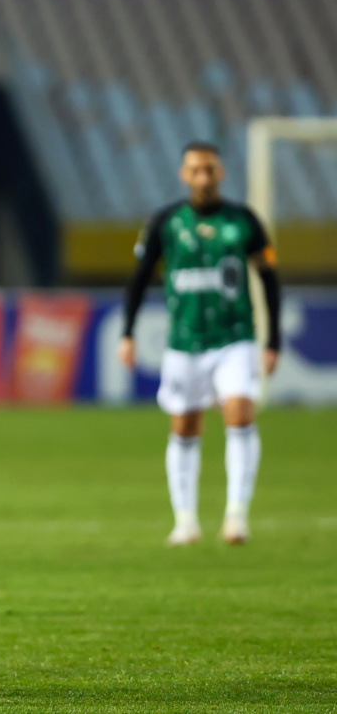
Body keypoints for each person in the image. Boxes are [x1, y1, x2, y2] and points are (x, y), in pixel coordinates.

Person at [118, 141, 282, 546]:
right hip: (185, 340)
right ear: (184, 174)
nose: (203, 178)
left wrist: (273, 339)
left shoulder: (244, 220)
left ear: (220, 173)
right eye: (195, 170)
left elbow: (269, 278)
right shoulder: (165, 222)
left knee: (240, 413)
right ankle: (185, 520)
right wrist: (127, 332)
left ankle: (236, 516)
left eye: (210, 169)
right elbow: (140, 277)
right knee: (185, 426)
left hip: (235, 337)